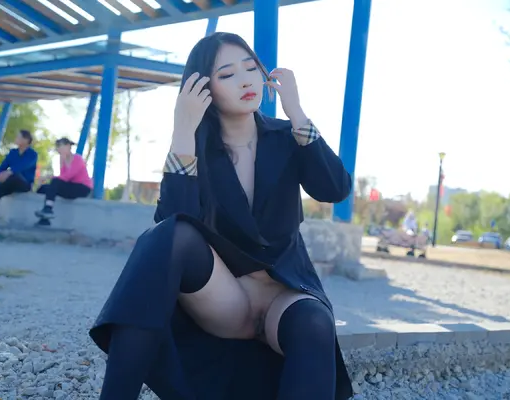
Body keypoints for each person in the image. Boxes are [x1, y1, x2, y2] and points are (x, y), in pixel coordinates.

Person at [89, 32, 354, 400]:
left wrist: (297, 113)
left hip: (284, 295)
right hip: (224, 297)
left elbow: (334, 189)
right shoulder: (196, 149)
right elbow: (173, 226)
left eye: (251, 68)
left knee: (315, 323)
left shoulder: (286, 136)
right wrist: (183, 130)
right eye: (227, 74)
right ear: (203, 89)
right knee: (167, 235)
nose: (245, 80)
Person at [34, 137, 92, 225]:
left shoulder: (78, 159)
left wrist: (48, 177)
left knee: (55, 182)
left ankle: (48, 209)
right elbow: (62, 179)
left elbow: (67, 177)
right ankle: (45, 218)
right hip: (71, 186)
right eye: (57, 147)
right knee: (44, 188)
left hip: (82, 188)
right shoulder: (64, 161)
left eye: (60, 146)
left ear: (68, 146)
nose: (58, 149)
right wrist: (61, 164)